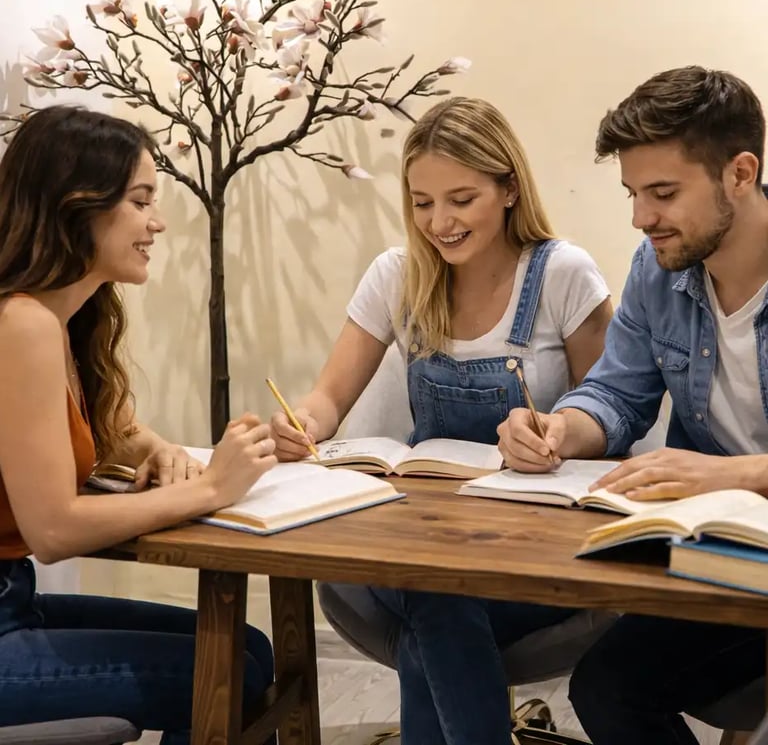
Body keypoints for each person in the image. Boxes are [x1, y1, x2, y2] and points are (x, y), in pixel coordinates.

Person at [272, 96, 613, 745]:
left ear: (509, 187)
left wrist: (556, 434)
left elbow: (613, 416)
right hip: (416, 538)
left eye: (461, 199)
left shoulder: (563, 274)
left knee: (436, 603)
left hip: (532, 550)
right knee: (433, 586)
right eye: (422, 202)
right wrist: (302, 424)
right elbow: (326, 399)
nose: (439, 221)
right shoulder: (395, 275)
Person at [498, 65, 768, 745]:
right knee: (606, 688)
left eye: (663, 192)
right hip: (718, 557)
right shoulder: (659, 265)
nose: (641, 216)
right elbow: (618, 392)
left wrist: (734, 473)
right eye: (633, 192)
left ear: (741, 172)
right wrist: (560, 427)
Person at [0, 105, 277, 744]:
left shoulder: (62, 318)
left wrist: (157, 450)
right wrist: (209, 489)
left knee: (249, 648)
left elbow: (111, 430)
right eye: (140, 199)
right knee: (224, 670)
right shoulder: (22, 325)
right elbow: (54, 529)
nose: (157, 222)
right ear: (79, 203)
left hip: (13, 602)